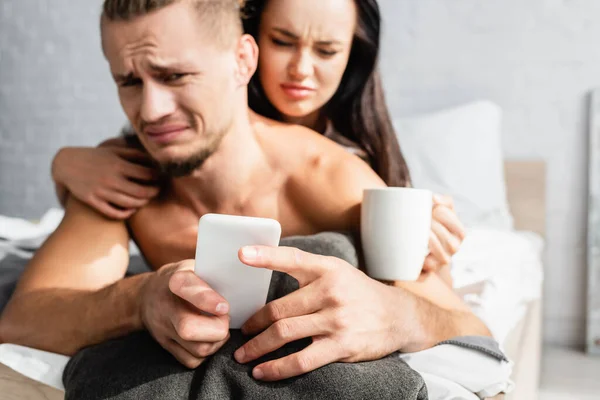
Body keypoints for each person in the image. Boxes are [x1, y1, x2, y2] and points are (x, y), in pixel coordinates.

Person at [0, 0, 490, 385]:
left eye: (175, 76)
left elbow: (469, 327)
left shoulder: (332, 178)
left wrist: (397, 315)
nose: (149, 111)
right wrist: (138, 299)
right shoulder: (125, 176)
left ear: (242, 60)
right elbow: (23, 320)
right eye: (129, 81)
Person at [50, 0, 464, 278]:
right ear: (248, 46)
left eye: (326, 50)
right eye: (282, 42)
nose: (301, 69)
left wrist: (424, 243)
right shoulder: (182, 137)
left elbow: (428, 296)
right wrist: (65, 164)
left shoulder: (343, 169)